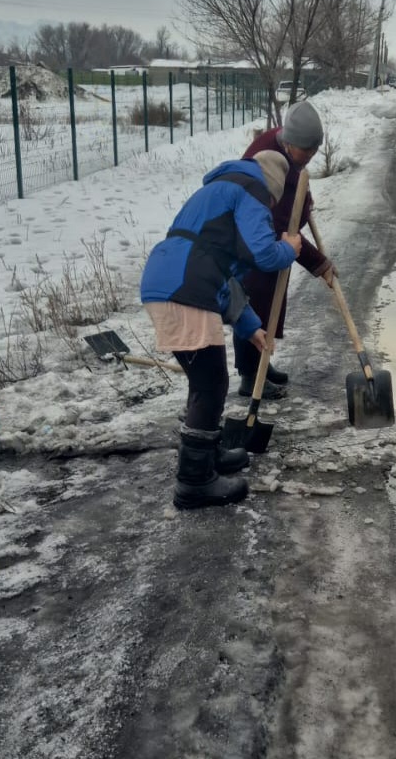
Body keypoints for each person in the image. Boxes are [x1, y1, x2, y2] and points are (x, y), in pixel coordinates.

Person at [141, 150, 301, 510]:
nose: (267, 210)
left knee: (204, 380)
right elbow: (264, 253)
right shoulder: (253, 188)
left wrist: (251, 327)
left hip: (168, 279)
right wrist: (288, 249)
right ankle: (194, 481)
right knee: (210, 384)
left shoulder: (218, 190)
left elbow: (219, 272)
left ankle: (208, 455)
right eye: (271, 204)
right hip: (186, 288)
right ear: (272, 189)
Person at [234, 99, 336, 398]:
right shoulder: (265, 157)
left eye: (315, 151)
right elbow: (279, 228)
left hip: (272, 242)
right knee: (254, 305)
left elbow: (296, 186)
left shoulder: (290, 151)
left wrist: (305, 202)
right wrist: (319, 264)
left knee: (270, 304)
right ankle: (250, 376)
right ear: (290, 143)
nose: (311, 157)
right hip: (253, 245)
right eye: (308, 151)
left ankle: (263, 365)